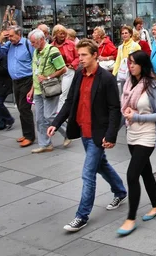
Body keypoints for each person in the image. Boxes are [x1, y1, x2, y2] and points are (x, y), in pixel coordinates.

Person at [48, 39, 127, 233]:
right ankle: (120, 191)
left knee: (88, 173)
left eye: (84, 55)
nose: (80, 59)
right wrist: (55, 123)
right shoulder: (78, 75)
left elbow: (114, 109)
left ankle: (81, 216)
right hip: (83, 131)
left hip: (98, 134)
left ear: (94, 55)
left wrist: (110, 136)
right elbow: (69, 101)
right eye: (79, 55)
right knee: (101, 165)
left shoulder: (106, 78)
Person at [116, 50, 156, 236]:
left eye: (134, 63)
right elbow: (124, 111)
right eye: (129, 62)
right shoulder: (128, 84)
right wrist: (112, 133)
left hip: (148, 135)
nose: (131, 66)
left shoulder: (153, 86)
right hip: (132, 134)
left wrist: (136, 116)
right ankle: (155, 206)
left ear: (142, 65)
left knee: (132, 175)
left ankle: (130, 219)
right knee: (145, 171)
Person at [0, 26, 35, 147]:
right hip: (15, 81)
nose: (9, 38)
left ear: (19, 34)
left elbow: (35, 61)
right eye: (8, 36)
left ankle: (30, 136)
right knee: (20, 107)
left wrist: (34, 83)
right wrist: (0, 39)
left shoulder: (28, 44)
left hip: (27, 79)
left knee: (24, 108)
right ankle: (26, 133)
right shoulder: (9, 45)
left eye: (11, 36)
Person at [27, 29, 69, 153]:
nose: (32, 44)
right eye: (31, 42)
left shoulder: (53, 51)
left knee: (49, 116)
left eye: (34, 42)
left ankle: (69, 132)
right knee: (39, 118)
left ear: (41, 40)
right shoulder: (36, 52)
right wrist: (32, 89)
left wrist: (48, 77)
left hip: (49, 88)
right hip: (38, 89)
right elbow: (36, 72)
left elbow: (63, 69)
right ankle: (45, 144)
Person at [52, 24, 79, 110]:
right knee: (56, 93)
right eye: (60, 34)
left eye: (64, 33)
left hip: (68, 71)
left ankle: (60, 115)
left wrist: (72, 65)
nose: (63, 36)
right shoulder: (51, 46)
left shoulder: (71, 44)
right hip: (56, 72)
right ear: (55, 34)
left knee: (64, 94)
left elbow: (78, 57)